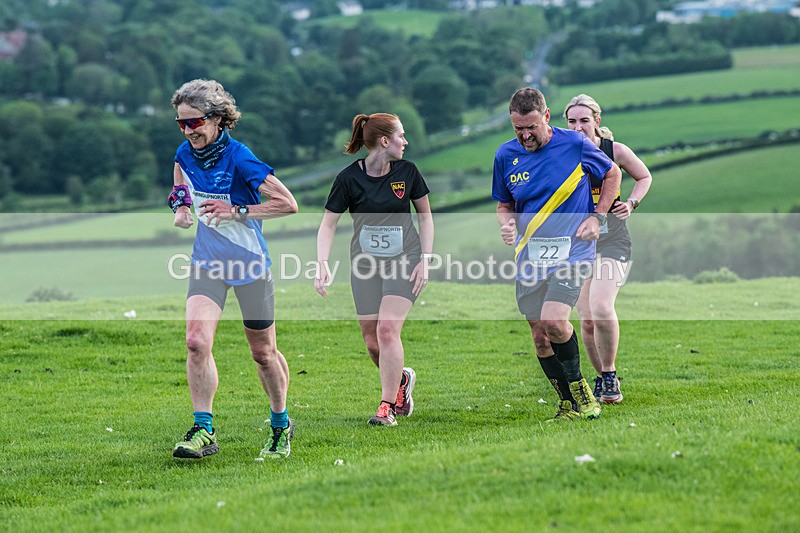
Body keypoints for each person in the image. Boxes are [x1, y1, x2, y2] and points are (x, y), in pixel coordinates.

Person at [168, 79, 299, 459]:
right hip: (207, 264)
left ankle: (280, 425)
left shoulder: (241, 157)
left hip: (250, 267)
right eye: (181, 123)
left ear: (218, 119)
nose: (187, 131)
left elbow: (288, 204)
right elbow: (180, 178)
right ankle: (204, 429)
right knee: (196, 341)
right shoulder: (184, 152)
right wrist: (180, 207)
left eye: (194, 123)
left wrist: (238, 211)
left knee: (263, 354)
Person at [492, 88, 622, 421]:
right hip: (531, 256)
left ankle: (582, 389)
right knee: (539, 335)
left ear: (546, 117)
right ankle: (566, 402)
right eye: (518, 128)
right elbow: (505, 204)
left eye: (531, 127)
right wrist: (507, 225)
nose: (525, 135)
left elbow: (612, 173)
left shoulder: (575, 144)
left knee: (554, 320)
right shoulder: (505, 156)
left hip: (573, 252)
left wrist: (597, 216)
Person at [315, 113, 434, 427]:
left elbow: (425, 218)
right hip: (366, 265)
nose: (405, 142)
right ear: (385, 141)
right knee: (371, 341)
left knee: (387, 330)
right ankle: (401, 381)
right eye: (401, 136)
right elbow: (328, 224)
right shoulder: (348, 179)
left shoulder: (408, 172)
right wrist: (322, 263)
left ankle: (387, 406)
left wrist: (425, 259)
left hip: (405, 259)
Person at [564, 94, 653, 404]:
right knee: (586, 319)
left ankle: (611, 374)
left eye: (584, 121)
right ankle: (601, 378)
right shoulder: (561, 154)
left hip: (613, 241)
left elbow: (644, 176)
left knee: (601, 308)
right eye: (571, 121)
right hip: (577, 246)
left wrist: (631, 202)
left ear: (596, 121)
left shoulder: (614, 151)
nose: (577, 127)